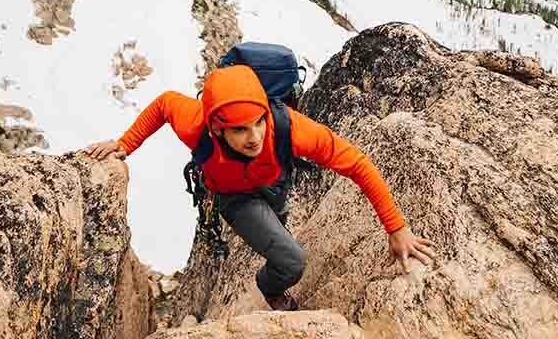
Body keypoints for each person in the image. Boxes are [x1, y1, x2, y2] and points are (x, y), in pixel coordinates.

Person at [81, 64, 435, 311]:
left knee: (279, 226)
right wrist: (124, 144)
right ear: (217, 129)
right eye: (240, 130)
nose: (254, 137)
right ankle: (270, 287)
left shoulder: (290, 128)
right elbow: (163, 104)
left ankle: (274, 243)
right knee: (292, 262)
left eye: (258, 123)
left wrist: (397, 228)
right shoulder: (196, 124)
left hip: (275, 184)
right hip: (235, 198)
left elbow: (357, 163)